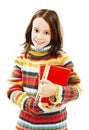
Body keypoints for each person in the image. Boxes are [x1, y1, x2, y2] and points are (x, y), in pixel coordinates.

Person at [7, 9, 82, 130]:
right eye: (36, 30)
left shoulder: (62, 59)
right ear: (30, 29)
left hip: (56, 125)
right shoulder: (21, 59)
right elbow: (12, 90)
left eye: (46, 32)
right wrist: (32, 106)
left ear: (54, 34)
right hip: (26, 125)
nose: (39, 37)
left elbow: (77, 90)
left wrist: (55, 91)